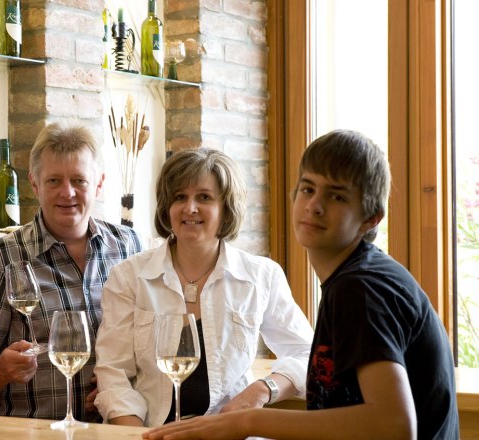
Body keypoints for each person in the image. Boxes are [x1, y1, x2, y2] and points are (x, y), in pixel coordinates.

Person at [143, 130, 459, 439]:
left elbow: (394, 426)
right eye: (308, 189)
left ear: (371, 218)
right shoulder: (353, 278)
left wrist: (248, 421)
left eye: (337, 196)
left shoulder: (361, 288)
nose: (314, 206)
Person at [94, 148, 313, 427]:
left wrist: (262, 390)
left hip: (230, 433)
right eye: (180, 197)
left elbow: (308, 355)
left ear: (226, 208)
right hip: (150, 431)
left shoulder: (261, 276)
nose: (190, 208)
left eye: (204, 197)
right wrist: (139, 436)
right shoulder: (128, 277)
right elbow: (114, 374)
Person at [0, 122, 142, 420]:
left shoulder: (129, 247)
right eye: (54, 180)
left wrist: (119, 389)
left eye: (79, 180)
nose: (67, 192)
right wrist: (1, 369)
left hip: (118, 430)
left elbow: (148, 346)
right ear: (35, 184)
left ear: (99, 184)